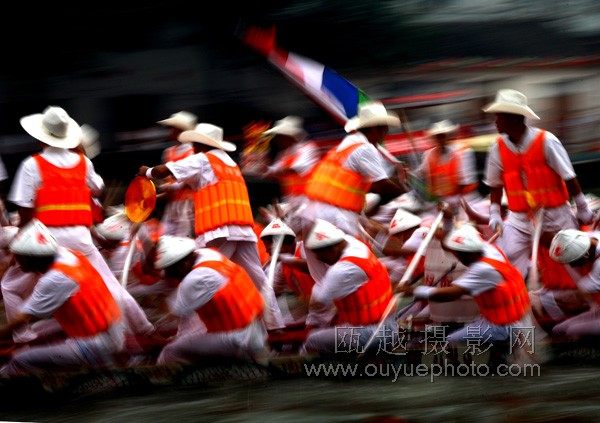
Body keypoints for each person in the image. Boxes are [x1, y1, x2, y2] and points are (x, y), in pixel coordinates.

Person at [3, 106, 153, 342]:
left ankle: (23, 337)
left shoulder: (32, 164)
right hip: (81, 238)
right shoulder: (83, 162)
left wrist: (19, 249)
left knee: (10, 286)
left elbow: (25, 212)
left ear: (40, 137)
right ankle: (145, 330)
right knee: (112, 287)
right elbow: (98, 189)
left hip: (47, 243)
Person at [138, 123, 284, 330]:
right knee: (259, 279)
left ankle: (187, 332)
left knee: (197, 274)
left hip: (218, 231)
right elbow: (183, 184)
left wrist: (147, 172)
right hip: (243, 229)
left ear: (201, 144)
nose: (192, 147)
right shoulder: (230, 163)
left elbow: (164, 171)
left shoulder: (203, 159)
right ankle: (275, 324)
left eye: (194, 143)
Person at [483, 89, 594, 277]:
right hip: (518, 218)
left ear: (513, 118)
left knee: (572, 261)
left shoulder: (547, 141)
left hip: (554, 215)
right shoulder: (497, 148)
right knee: (508, 256)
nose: (495, 121)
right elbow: (495, 184)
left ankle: (586, 290)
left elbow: (569, 176)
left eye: (499, 116)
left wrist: (582, 208)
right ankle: (520, 291)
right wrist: (494, 213)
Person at [298, 101, 407, 282]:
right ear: (375, 128)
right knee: (357, 264)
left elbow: (367, 185)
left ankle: (327, 298)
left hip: (311, 213)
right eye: (384, 129)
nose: (385, 134)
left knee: (323, 276)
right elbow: (383, 187)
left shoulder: (346, 145)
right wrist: (406, 188)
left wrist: (396, 178)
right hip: (334, 216)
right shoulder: (365, 148)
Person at [0, 220, 125, 376]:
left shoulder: (56, 278)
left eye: (19, 258)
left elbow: (20, 320)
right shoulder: (67, 254)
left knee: (20, 359)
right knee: (36, 332)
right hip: (109, 327)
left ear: (32, 258)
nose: (16, 262)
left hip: (98, 344)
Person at [400, 224, 531, 346]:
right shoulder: (488, 248)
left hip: (502, 327)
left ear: (465, 254)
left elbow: (450, 294)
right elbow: (451, 246)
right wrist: (445, 227)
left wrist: (413, 290)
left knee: (450, 341)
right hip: (509, 317)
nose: (456, 256)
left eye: (458, 254)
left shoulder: (482, 269)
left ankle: (500, 352)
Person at [154, 236, 267, 364]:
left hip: (237, 339)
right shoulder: (208, 255)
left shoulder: (195, 278)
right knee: (190, 335)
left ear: (183, 265)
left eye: (170, 270)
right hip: (254, 331)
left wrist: (156, 302)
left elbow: (173, 312)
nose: (170, 276)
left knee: (170, 351)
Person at [301, 219, 395, 354]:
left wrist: (303, 300)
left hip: (374, 333)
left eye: (321, 256)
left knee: (312, 339)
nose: (320, 260)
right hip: (386, 323)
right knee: (332, 322)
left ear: (333, 248)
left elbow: (318, 303)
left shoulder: (342, 270)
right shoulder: (354, 244)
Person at [548, 229, 600, 339]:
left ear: (585, 255)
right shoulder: (587, 238)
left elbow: (579, 293)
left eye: (573, 262)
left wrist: (547, 298)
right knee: (558, 329)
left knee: (571, 330)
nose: (571, 266)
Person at [417, 119, 479, 210]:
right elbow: (421, 174)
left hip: (464, 199)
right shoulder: (428, 155)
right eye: (437, 136)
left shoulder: (462, 152)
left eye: (443, 136)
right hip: (440, 201)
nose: (440, 139)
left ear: (448, 136)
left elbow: (467, 183)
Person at [262, 116, 320, 206]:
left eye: (279, 136)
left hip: (308, 200)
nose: (277, 140)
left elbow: (296, 169)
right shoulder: (284, 153)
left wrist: (275, 172)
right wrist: (262, 166)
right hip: (290, 198)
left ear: (289, 136)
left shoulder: (308, 148)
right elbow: (271, 171)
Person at [157, 111, 197, 238]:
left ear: (180, 130)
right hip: (172, 204)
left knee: (183, 240)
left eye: (172, 128)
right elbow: (166, 181)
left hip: (187, 204)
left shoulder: (192, 151)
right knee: (164, 237)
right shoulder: (168, 152)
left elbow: (189, 180)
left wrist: (169, 187)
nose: (170, 131)